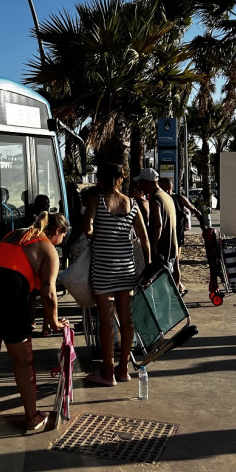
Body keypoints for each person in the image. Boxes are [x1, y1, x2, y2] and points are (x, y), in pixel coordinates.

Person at [0, 211, 70, 431]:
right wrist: (55, 322)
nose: (61, 243)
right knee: (22, 359)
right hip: (9, 289)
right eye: (63, 238)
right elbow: (49, 292)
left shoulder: (16, 234)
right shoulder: (49, 248)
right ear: (57, 231)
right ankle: (32, 416)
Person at [83, 163, 151, 386]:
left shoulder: (97, 200)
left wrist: (98, 234)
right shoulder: (132, 203)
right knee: (127, 320)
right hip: (126, 270)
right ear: (121, 179)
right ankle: (123, 369)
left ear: (101, 180)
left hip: (103, 269)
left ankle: (107, 373)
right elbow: (144, 238)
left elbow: (88, 228)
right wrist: (148, 266)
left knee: (106, 322)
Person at [137, 168, 179, 284]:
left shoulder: (155, 199)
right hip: (171, 247)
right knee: (166, 281)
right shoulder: (166, 196)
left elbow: (158, 224)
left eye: (141, 183)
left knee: (160, 284)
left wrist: (154, 245)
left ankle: (167, 303)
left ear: (147, 182)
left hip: (162, 249)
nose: (139, 186)